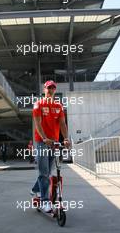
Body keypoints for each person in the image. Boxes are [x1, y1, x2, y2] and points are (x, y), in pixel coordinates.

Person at [31, 80, 70, 212]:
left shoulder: (59, 106)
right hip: (42, 142)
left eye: (53, 88)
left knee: (48, 172)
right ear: (44, 89)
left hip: (54, 143)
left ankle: (35, 189)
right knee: (44, 172)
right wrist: (44, 138)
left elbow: (63, 124)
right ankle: (45, 201)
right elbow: (38, 123)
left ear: (55, 90)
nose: (50, 90)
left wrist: (66, 139)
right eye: (48, 88)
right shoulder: (38, 105)